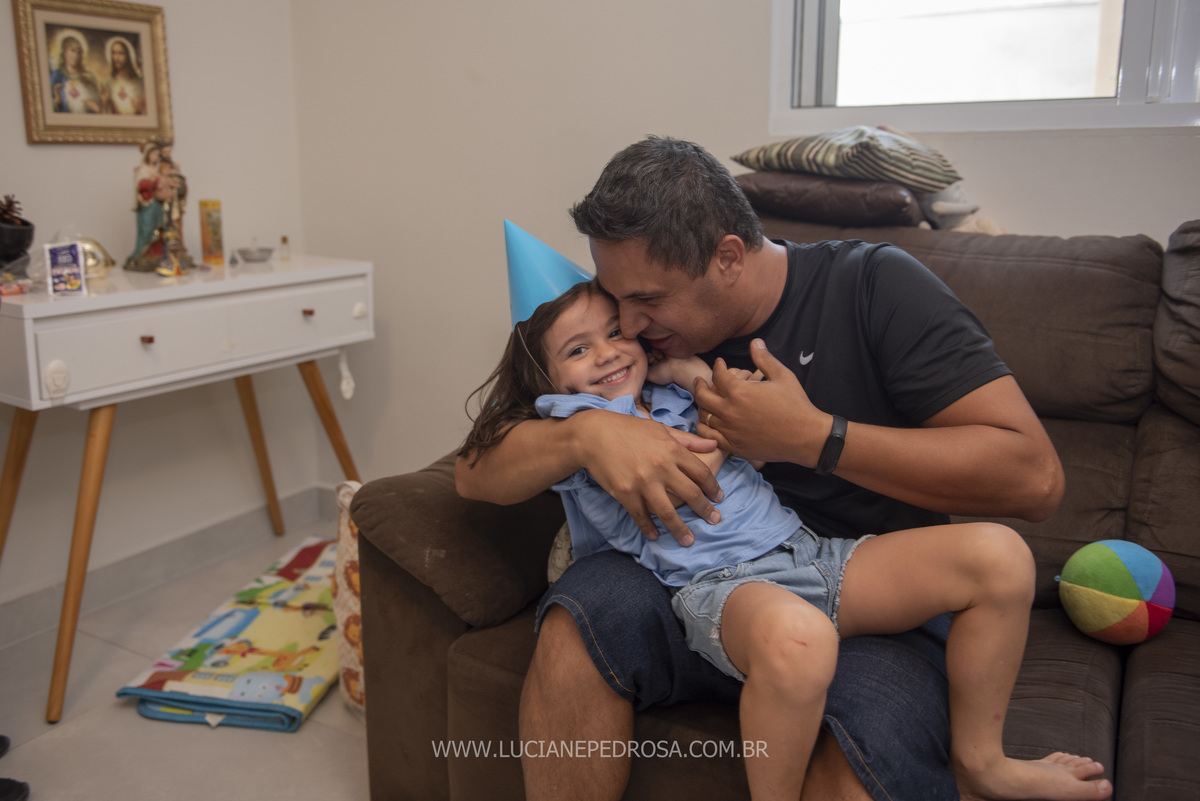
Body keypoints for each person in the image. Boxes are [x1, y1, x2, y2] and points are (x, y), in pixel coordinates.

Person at [455, 137, 1071, 801]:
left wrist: (816, 439)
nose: (627, 326)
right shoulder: (630, 356)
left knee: (859, 755)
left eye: (646, 300)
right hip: (690, 582)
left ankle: (977, 763)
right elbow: (476, 468)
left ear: (727, 258)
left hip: (852, 587)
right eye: (615, 300)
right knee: (581, 612)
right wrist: (587, 432)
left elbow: (1034, 480)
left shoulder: (872, 286)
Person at [49, 33, 101, 114]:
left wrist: (96, 107)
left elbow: (98, 104)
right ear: (64, 52)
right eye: (72, 51)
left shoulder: (89, 77)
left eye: (78, 52)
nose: (76, 55)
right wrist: (57, 101)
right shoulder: (56, 76)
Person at [102, 37, 146, 115]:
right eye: (114, 53)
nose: (116, 58)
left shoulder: (140, 82)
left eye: (121, 53)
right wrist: (104, 103)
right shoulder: (108, 84)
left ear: (128, 56)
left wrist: (141, 108)